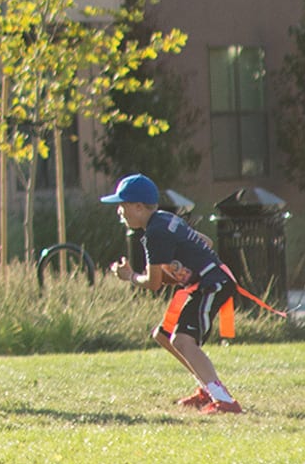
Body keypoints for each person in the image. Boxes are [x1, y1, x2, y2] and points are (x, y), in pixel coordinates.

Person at [102, 173, 246, 414]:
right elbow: (205, 242)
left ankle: (224, 400)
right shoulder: (164, 219)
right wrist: (184, 270)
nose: (119, 211)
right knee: (164, 334)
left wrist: (129, 276)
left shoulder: (154, 234)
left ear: (138, 207)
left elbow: (153, 284)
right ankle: (207, 389)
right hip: (207, 281)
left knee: (182, 340)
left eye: (122, 205)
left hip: (212, 284)